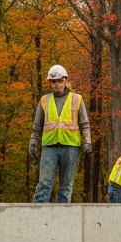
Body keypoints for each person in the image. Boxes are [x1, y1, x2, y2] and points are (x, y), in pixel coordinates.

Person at [28, 65, 91, 203]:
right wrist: (33, 143)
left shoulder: (77, 99)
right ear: (50, 83)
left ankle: (63, 218)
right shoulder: (44, 100)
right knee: (44, 184)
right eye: (53, 81)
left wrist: (87, 141)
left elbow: (84, 123)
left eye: (59, 81)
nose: (56, 84)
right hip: (49, 146)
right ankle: (37, 216)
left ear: (65, 80)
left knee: (66, 186)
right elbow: (37, 126)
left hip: (70, 147)